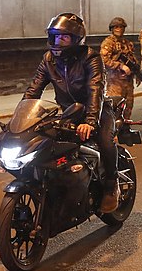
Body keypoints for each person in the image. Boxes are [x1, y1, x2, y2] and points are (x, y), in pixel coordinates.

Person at [23, 13, 120, 213]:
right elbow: (34, 90)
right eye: (55, 36)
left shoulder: (90, 58)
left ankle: (112, 185)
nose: (59, 41)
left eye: (64, 37)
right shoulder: (49, 59)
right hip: (69, 112)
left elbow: (95, 90)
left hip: (98, 110)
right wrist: (20, 120)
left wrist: (91, 122)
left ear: (76, 40)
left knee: (105, 141)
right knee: (48, 144)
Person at [99, 17, 136, 121]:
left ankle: (125, 130)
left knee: (128, 106)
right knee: (115, 107)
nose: (119, 29)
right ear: (112, 29)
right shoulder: (108, 43)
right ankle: (113, 133)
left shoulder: (127, 43)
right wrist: (120, 66)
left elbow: (133, 59)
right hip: (115, 82)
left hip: (127, 82)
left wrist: (138, 74)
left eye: (121, 27)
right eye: (116, 27)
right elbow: (104, 60)